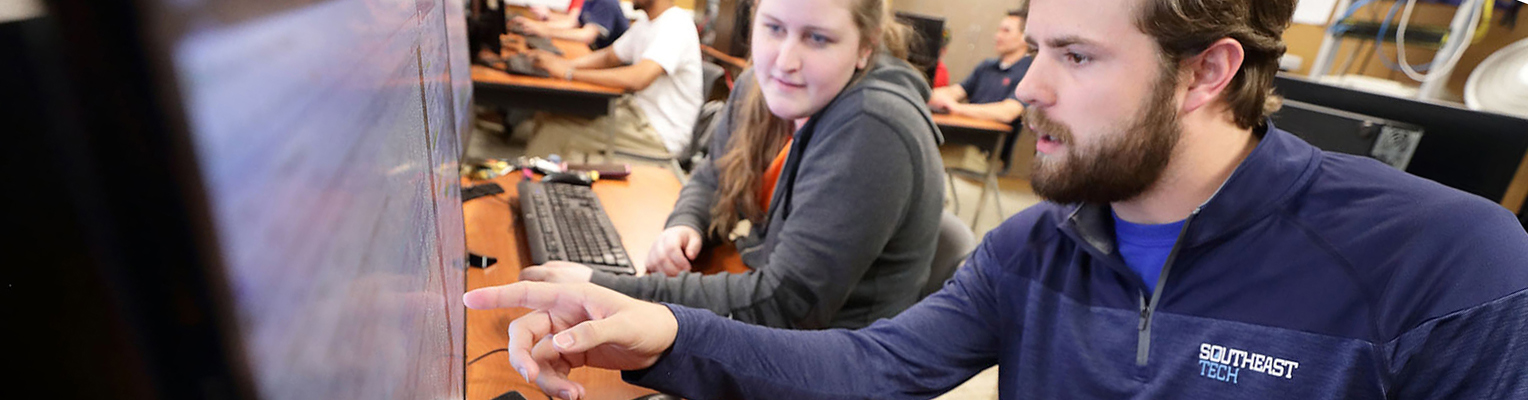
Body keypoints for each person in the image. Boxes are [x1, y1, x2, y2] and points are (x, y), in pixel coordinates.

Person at [469, 0, 1528, 398]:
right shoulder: (1040, 246)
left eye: (1072, 55)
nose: (1026, 88)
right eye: (1035, 45)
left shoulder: (1450, 264)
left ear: (1205, 73)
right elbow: (872, 364)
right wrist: (651, 329)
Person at [516, 0, 946, 331]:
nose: (785, 60)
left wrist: (602, 287)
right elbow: (713, 174)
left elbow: (784, 305)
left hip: (835, 355)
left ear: (865, 47)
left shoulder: (873, 128)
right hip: (777, 311)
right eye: (774, 28)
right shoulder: (763, 84)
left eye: (818, 39)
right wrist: (686, 223)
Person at [520, 0, 702, 160]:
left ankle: (532, 192)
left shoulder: (676, 25)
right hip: (635, 114)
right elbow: (609, 56)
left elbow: (639, 78)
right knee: (548, 114)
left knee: (554, 132)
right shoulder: (647, 23)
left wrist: (569, 73)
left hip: (657, 133)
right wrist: (564, 64)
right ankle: (535, 184)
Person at [929, 9, 1030, 174]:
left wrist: (956, 108)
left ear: (1025, 37)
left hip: (986, 153)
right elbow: (956, 91)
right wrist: (929, 94)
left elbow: (1008, 112)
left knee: (922, 150)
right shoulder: (987, 67)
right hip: (961, 137)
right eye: (998, 30)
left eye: (1006, 31)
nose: (998, 36)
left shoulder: (1027, 72)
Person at [510, 0, 631, 50]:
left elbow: (587, 35)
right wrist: (536, 26)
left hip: (610, 68)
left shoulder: (606, 2)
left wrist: (544, 31)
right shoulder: (589, 2)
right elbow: (571, 23)